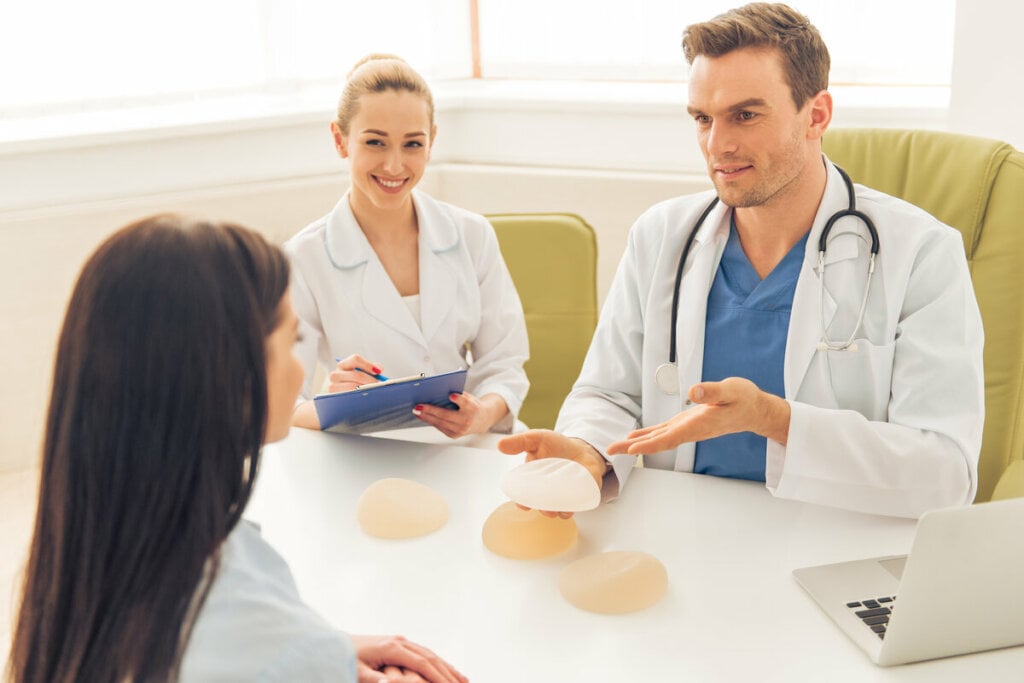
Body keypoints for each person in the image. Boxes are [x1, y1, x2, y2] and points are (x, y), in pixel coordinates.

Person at [499, 2, 984, 520]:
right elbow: (607, 393)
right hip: (680, 532)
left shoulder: (920, 252)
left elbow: (946, 475)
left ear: (816, 115)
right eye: (702, 118)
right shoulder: (662, 235)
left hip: (833, 542)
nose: (717, 144)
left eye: (745, 115)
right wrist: (589, 452)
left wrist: (774, 419)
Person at [6, 215, 467, 683]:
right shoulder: (254, 629)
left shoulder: (84, 561)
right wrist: (305, 656)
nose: (297, 370)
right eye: (293, 341)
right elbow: (247, 643)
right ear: (236, 380)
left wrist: (321, 649)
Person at [287, 54, 529, 439]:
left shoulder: (472, 235)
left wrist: (482, 412)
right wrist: (334, 405)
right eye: (375, 142)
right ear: (340, 140)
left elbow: (504, 363)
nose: (395, 165)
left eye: (412, 144)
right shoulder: (302, 258)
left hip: (466, 442)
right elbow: (281, 403)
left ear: (431, 141)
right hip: (361, 449)